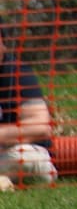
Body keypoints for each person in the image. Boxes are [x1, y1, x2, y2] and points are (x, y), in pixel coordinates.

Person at [0, 27, 57, 190]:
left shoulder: (18, 73)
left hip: (21, 153)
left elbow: (39, 128)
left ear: (3, 44)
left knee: (25, 159)